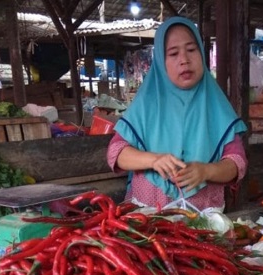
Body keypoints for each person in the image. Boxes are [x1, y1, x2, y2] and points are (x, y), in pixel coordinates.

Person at [106, 16, 248, 211]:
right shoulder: (146, 103)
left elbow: (237, 163)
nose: (184, 60)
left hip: (203, 223)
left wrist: (206, 170)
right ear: (160, 62)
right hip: (148, 219)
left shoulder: (217, 105)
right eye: (173, 53)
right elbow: (116, 153)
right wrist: (153, 160)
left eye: (191, 50)